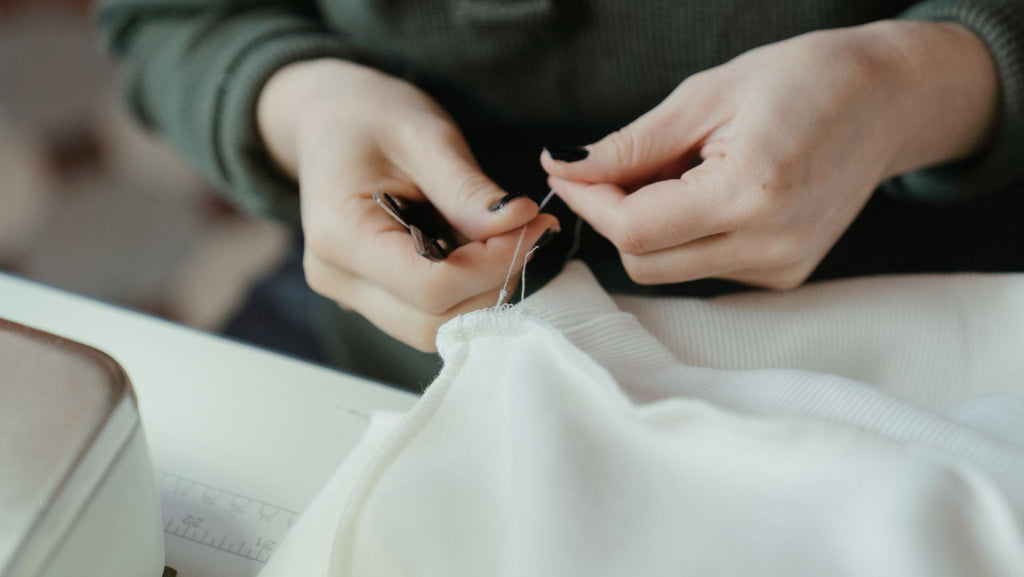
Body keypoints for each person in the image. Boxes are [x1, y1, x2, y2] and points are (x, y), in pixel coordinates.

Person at [98, 0, 1023, 389]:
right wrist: (304, 103)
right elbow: (167, 17)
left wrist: (928, 80)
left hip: (926, 347)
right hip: (383, 349)